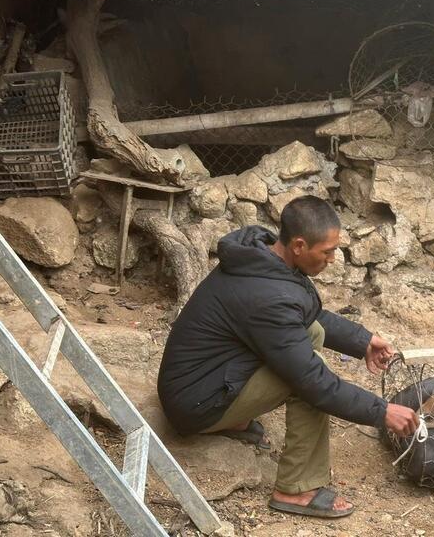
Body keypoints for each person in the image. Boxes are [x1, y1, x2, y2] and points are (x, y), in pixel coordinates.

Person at [157, 195, 419, 519]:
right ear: (298, 246)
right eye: (327, 251)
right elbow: (315, 384)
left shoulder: (263, 258)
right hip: (195, 403)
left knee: (312, 334)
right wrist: (382, 411)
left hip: (204, 379)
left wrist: (362, 341)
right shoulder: (267, 296)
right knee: (309, 382)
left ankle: (235, 419)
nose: (332, 259)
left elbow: (305, 315)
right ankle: (296, 489)